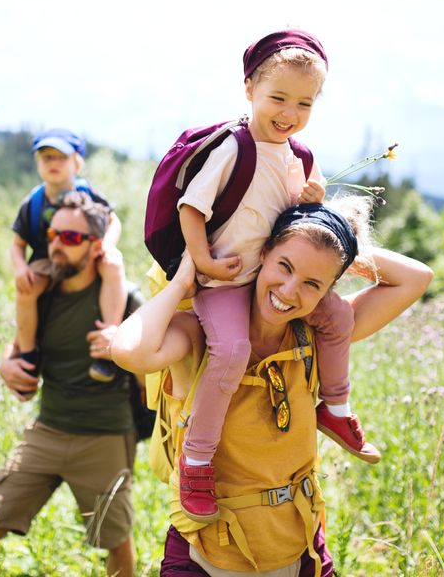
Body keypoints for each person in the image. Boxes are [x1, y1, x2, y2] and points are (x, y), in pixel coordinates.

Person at [112, 197, 434, 576]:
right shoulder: (200, 334)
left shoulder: (317, 336)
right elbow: (129, 351)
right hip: (205, 554)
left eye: (313, 283)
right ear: (261, 253)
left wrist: (335, 239)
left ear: (327, 290)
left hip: (300, 551)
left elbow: (417, 278)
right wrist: (183, 280)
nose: (289, 290)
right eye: (284, 265)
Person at [161, 28, 376, 523]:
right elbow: (191, 208)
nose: (289, 113)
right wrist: (205, 264)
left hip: (272, 280)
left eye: (304, 103)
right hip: (225, 282)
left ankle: (335, 408)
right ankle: (197, 461)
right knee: (232, 350)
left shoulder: (298, 155)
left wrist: (313, 197)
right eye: (277, 97)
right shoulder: (234, 149)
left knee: (338, 316)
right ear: (249, 90)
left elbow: (301, 213)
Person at [0, 193, 142, 577]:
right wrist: (5, 366)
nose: (57, 244)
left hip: (105, 436)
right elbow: (18, 347)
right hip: (47, 431)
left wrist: (124, 351)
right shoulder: (43, 293)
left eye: (71, 238)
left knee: (116, 540)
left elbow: (153, 364)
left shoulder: (125, 298)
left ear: (96, 247)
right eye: (53, 234)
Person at [10, 128, 126, 384]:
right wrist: (20, 268)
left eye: (61, 157)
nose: (53, 163)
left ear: (77, 163)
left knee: (113, 265)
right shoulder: (33, 202)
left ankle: (107, 342)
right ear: (37, 163)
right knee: (26, 290)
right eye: (46, 157)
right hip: (46, 258)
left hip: (86, 252)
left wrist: (107, 245)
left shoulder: (89, 193)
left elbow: (113, 221)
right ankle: (28, 354)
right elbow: (17, 244)